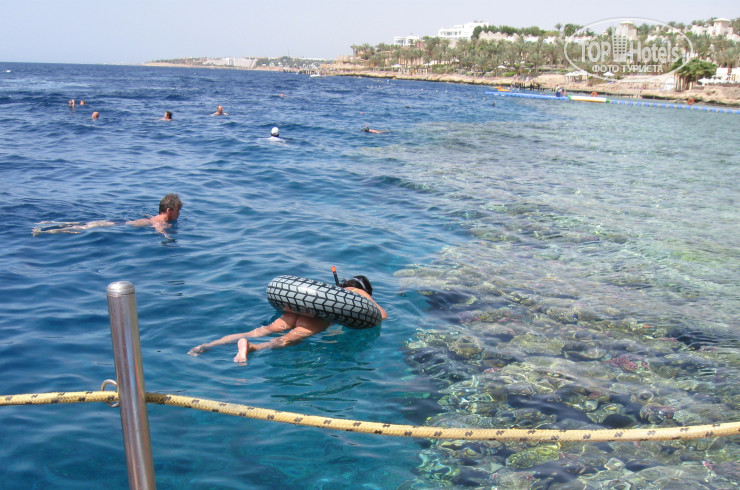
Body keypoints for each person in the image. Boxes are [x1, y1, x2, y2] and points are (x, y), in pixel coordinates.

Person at [188, 275, 388, 362]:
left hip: (295, 310)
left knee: (258, 331)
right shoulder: (357, 293)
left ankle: (206, 346)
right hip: (315, 319)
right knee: (289, 339)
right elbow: (382, 315)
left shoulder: (330, 291)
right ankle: (251, 348)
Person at [32, 193, 183, 238]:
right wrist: (167, 237)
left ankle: (47, 224)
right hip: (121, 225)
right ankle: (46, 231)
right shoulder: (162, 221)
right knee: (83, 228)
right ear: (169, 210)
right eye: (177, 210)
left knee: (85, 225)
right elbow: (158, 228)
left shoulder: (156, 216)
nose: (179, 213)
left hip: (121, 222)